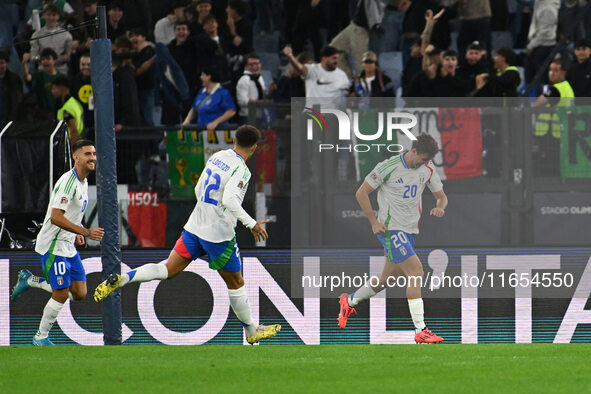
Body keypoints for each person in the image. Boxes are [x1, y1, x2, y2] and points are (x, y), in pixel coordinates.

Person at [93, 125, 281, 345]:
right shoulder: (242, 170)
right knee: (236, 282)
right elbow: (230, 200)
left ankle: (124, 278)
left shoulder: (218, 156)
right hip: (218, 235)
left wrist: (206, 210)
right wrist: (251, 224)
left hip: (195, 227)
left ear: (234, 141)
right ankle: (251, 332)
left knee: (166, 269)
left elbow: (198, 188)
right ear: (255, 147)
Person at [338, 134, 448, 344]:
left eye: (427, 160)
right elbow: (362, 193)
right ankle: (421, 330)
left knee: (387, 279)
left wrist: (440, 207)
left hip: (410, 231)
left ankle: (349, 301)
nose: (424, 163)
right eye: (423, 159)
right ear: (413, 150)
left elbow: (442, 196)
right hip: (391, 230)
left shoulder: (428, 168)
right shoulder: (388, 167)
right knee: (416, 271)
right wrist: (373, 222)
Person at [10, 140, 104, 346]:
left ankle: (30, 281)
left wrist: (76, 232)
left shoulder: (84, 181)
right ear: (76, 157)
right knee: (60, 293)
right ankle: (40, 337)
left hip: (67, 243)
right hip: (53, 243)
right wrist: (85, 231)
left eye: (94, 154)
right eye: (88, 154)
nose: (93, 158)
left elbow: (71, 214)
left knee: (79, 293)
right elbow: (56, 217)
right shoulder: (68, 182)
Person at [533, 59, 575, 177]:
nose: (551, 73)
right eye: (550, 70)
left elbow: (536, 104)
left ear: (563, 73)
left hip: (550, 131)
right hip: (561, 130)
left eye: (556, 70)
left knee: (549, 165)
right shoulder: (567, 87)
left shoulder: (555, 89)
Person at [52, 75, 84, 145]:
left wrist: (71, 152)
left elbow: (74, 132)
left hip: (71, 143)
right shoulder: (75, 102)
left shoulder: (67, 109)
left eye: (54, 88)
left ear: (62, 88)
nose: (52, 92)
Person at [0, 50, 23, 126]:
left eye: (2, 63)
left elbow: (16, 101)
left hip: (8, 118)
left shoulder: (14, 79)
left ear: (7, 63)